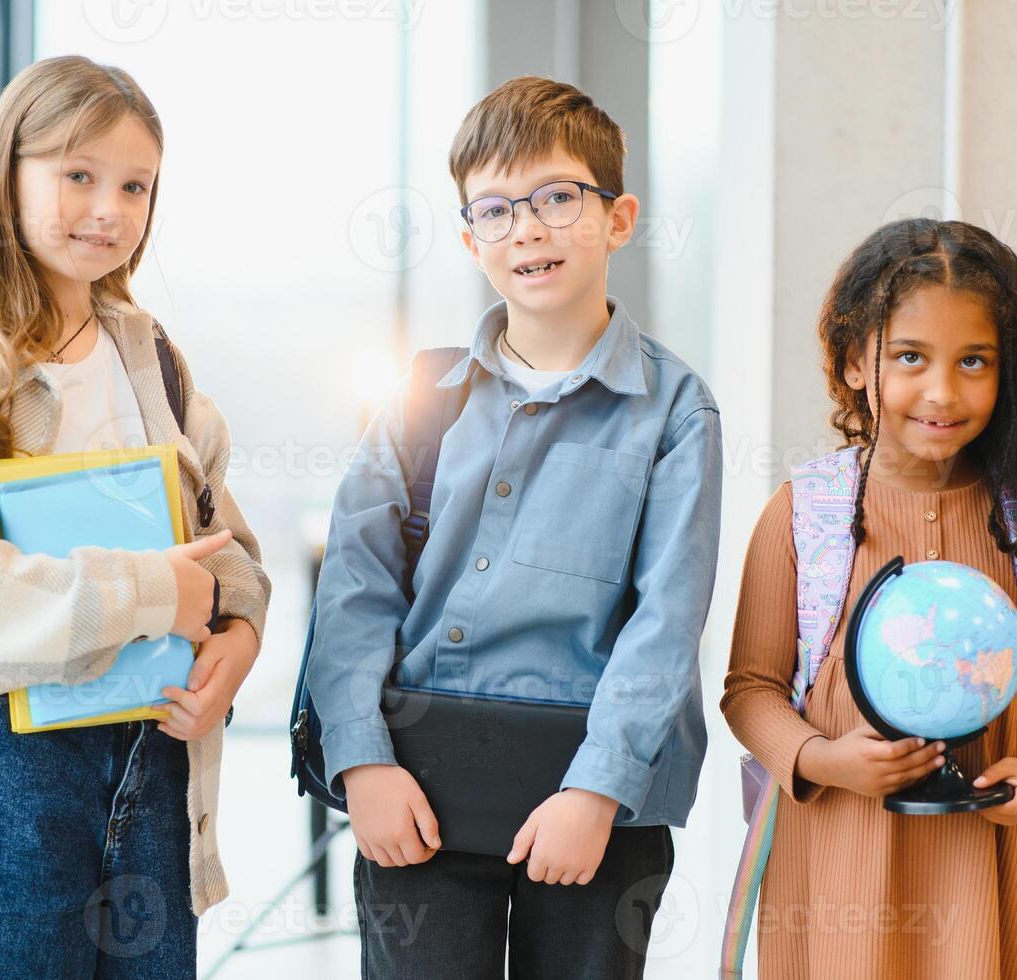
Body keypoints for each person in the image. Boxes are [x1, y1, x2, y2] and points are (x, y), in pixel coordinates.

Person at [0, 55, 270, 978]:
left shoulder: (154, 361)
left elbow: (224, 542)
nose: (108, 208)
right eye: (78, 175)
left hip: (149, 758)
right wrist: (154, 591)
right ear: (9, 177)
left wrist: (238, 634)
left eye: (135, 185)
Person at [304, 75, 724, 978]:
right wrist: (361, 762)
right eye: (493, 211)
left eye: (557, 197)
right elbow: (354, 588)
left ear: (617, 219)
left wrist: (598, 786)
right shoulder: (421, 399)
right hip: (414, 792)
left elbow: (667, 618)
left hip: (593, 807)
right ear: (470, 240)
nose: (526, 228)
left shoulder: (677, 412)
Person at [720, 218, 1017, 978]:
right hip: (836, 865)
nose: (942, 391)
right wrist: (821, 758)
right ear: (856, 360)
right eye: (910, 357)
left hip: (989, 865)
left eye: (974, 361)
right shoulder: (802, 513)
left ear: (1009, 371)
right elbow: (748, 690)